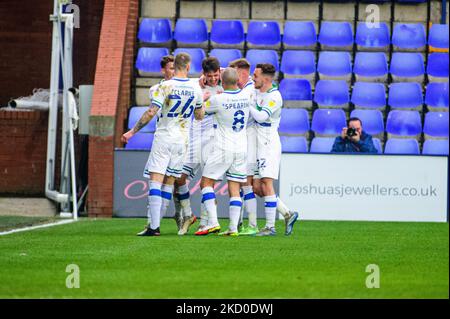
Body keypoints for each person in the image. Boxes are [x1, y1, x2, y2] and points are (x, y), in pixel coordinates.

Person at [129, 53, 205, 236]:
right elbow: (200, 116)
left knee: (156, 181)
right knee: (169, 182)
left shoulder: (164, 86)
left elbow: (151, 112)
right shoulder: (196, 89)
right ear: (188, 67)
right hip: (182, 141)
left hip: (164, 137)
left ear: (176, 66)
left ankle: (154, 227)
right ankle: (154, 225)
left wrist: (132, 132)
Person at [195, 67, 253, 236]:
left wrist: (200, 97)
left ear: (222, 81)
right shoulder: (247, 95)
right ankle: (233, 228)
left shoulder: (217, 99)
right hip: (241, 149)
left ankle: (212, 222)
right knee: (234, 188)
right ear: (237, 81)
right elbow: (248, 80)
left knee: (206, 184)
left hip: (223, 148)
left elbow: (199, 115)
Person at [175, 57, 224, 235]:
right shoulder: (196, 85)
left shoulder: (225, 84)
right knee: (179, 178)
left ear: (220, 71)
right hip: (193, 140)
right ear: (203, 74)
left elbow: (242, 77)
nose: (212, 79)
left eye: (215, 74)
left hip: (212, 141)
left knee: (207, 182)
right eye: (209, 75)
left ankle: (206, 223)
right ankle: (188, 214)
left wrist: (224, 72)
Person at [249, 63, 299, 236]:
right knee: (256, 187)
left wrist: (248, 104)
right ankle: (288, 213)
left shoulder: (275, 96)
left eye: (255, 75)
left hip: (268, 144)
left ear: (266, 78)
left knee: (266, 184)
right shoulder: (255, 91)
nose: (252, 78)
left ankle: (270, 227)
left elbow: (262, 117)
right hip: (256, 145)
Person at [228, 58, 259, 236]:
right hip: (242, 140)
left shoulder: (249, 91)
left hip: (249, 139)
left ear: (241, 73)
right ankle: (240, 223)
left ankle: (252, 224)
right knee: (241, 183)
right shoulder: (245, 89)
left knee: (247, 183)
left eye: (234, 73)